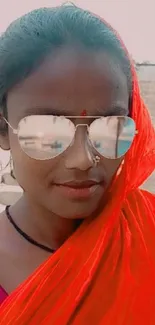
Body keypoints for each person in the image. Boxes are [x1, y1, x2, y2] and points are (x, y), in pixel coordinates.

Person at [0, 4, 155, 324]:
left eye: (111, 128)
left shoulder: (146, 232)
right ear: (4, 130)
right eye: (47, 131)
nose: (83, 159)